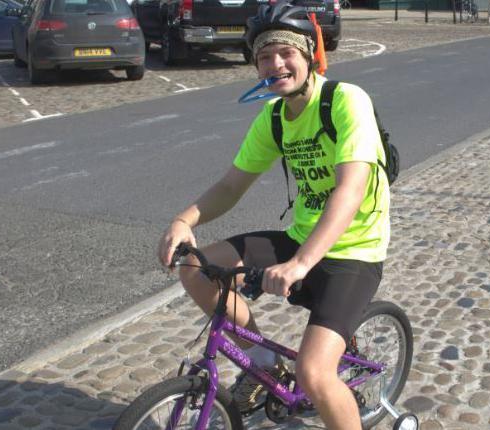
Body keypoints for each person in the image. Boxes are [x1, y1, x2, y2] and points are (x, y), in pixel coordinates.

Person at [156, 1, 390, 428]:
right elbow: (230, 186)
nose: (275, 63)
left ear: (308, 55)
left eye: (286, 52)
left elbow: (351, 189)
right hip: (302, 236)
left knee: (315, 374)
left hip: (354, 251)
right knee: (194, 266)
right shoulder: (275, 117)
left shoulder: (345, 101)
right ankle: (264, 364)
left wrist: (301, 263)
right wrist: (182, 221)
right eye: (264, 56)